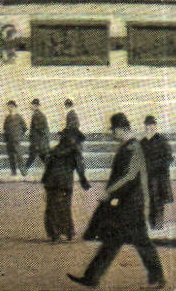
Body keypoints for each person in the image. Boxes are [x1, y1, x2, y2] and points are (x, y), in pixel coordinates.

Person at [68, 113, 165, 290]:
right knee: (116, 241)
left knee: (135, 242)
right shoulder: (129, 147)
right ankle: (92, 277)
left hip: (132, 204)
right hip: (128, 203)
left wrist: (110, 192)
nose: (112, 133)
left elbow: (129, 176)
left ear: (121, 129)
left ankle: (157, 277)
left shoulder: (132, 148)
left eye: (113, 130)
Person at [42, 127, 91, 242]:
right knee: (65, 206)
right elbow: (80, 168)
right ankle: (68, 232)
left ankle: (54, 234)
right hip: (65, 182)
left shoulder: (54, 150)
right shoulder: (75, 152)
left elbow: (48, 166)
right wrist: (84, 181)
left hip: (51, 182)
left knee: (51, 206)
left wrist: (45, 181)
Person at [139, 116, 174, 230]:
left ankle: (158, 225)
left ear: (155, 126)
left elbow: (169, 158)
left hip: (159, 177)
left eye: (151, 125)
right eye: (147, 125)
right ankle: (152, 224)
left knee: (157, 200)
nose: (149, 127)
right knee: (148, 200)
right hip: (146, 177)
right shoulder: (142, 142)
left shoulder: (162, 141)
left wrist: (157, 166)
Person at [3, 100, 28, 176]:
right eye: (8, 107)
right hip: (9, 140)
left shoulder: (19, 117)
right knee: (11, 156)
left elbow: (25, 128)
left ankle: (23, 172)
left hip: (16, 140)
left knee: (19, 156)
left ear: (14, 107)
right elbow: (5, 128)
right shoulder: (7, 118)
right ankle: (13, 172)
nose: (9, 108)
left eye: (11, 107)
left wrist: (19, 136)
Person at [27, 98, 51, 171]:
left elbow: (39, 129)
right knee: (40, 156)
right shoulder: (39, 114)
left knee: (33, 156)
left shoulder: (37, 115)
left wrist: (36, 140)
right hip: (40, 141)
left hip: (38, 141)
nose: (30, 106)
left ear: (35, 105)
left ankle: (24, 170)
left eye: (31, 105)